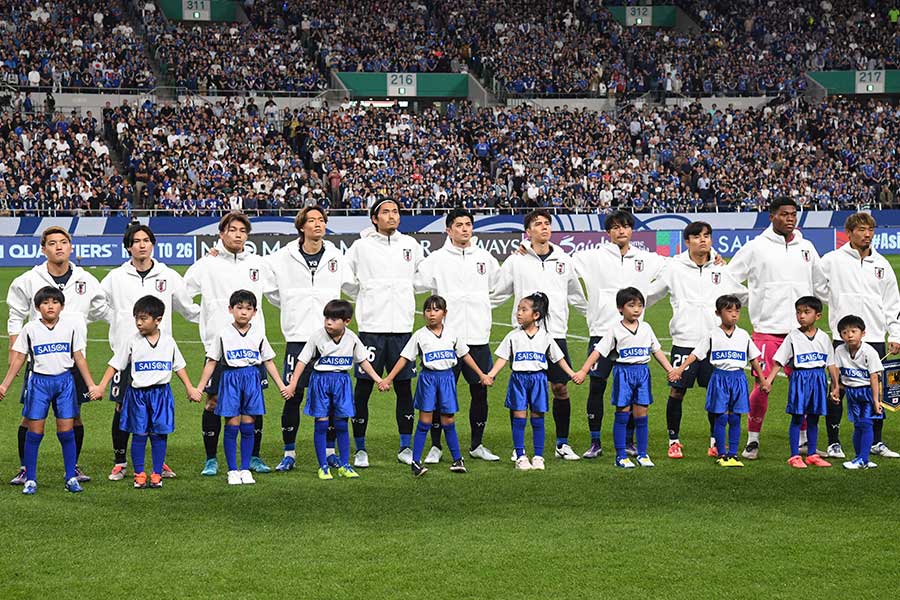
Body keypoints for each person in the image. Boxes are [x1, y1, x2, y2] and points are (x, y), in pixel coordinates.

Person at [6, 226, 108, 485]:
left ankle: (72, 467)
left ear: (71, 247)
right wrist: (13, 346)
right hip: (40, 360)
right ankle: (25, 469)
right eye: (52, 243)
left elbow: (101, 307)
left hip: (72, 358)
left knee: (74, 415)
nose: (59, 247)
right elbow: (16, 314)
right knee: (30, 416)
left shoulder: (85, 279)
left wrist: (80, 323)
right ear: (44, 249)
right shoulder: (29, 279)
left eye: (64, 242)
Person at [101, 223, 200, 481]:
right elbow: (98, 305)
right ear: (128, 246)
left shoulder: (167, 275)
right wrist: (120, 323)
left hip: (157, 357)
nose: (142, 244)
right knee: (122, 408)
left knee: (156, 412)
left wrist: (216, 319)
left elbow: (188, 308)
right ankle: (120, 461)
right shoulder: (116, 277)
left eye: (146, 240)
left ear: (152, 244)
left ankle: (158, 462)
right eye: (136, 241)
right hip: (128, 357)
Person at [184, 212, 276, 476]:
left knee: (253, 403)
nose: (237, 234)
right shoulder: (207, 264)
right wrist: (203, 317)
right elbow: (182, 293)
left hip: (252, 350)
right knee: (212, 401)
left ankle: (254, 457)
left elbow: (279, 294)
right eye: (232, 229)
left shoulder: (258, 263)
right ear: (221, 233)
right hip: (219, 348)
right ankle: (211, 459)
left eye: (242, 231)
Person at [493, 209, 588, 462]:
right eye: (538, 224)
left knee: (560, 388)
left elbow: (577, 295)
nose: (544, 227)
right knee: (520, 394)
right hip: (525, 336)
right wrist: (479, 309)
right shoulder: (517, 260)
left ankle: (562, 443)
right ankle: (519, 447)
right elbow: (498, 292)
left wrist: (594, 317)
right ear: (528, 231)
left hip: (555, 333)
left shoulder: (564, 260)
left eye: (547, 223)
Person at [727, 197, 819, 460]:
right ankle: (753, 440)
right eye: (784, 214)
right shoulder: (756, 247)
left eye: (793, 214)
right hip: (768, 328)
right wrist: (753, 299)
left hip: (802, 333)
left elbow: (820, 283)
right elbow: (731, 277)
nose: (790, 218)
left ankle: (803, 440)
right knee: (762, 385)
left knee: (803, 386)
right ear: (771, 216)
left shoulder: (807, 247)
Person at [645, 221, 746, 459]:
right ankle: (674, 440)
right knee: (677, 392)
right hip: (685, 340)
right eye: (698, 236)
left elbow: (741, 295)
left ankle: (715, 440)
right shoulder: (674, 267)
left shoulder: (721, 269)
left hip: (715, 344)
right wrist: (624, 309)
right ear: (687, 241)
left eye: (708, 236)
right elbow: (651, 293)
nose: (703, 240)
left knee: (717, 394)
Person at [572, 210, 667, 458]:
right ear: (608, 232)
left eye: (625, 226)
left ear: (631, 230)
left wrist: (713, 256)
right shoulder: (593, 256)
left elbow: (673, 271)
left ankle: (629, 441)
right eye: (615, 227)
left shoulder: (647, 258)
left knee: (634, 390)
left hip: (633, 336)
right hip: (601, 331)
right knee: (596, 387)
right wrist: (527, 247)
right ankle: (595, 441)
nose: (621, 231)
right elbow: (562, 263)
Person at [265, 206, 351, 472]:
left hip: (331, 340)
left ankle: (330, 451)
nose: (318, 224)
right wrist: (294, 310)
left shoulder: (337, 256)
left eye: (322, 220)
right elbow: (271, 293)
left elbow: (348, 289)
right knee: (293, 395)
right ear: (301, 226)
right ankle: (289, 453)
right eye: (312, 220)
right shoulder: (282, 257)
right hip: (298, 337)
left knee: (333, 398)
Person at [415, 208, 501, 463]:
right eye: (459, 225)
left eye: (468, 224)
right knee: (439, 395)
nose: (464, 229)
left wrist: (484, 310)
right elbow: (416, 283)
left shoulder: (486, 258)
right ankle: (436, 446)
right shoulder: (436, 259)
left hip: (477, 338)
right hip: (445, 341)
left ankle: (477, 444)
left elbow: (499, 289)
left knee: (479, 392)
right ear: (448, 229)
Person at [89, 296, 202, 489]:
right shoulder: (132, 341)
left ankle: (157, 473)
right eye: (136, 318)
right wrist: (101, 386)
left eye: (143, 318)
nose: (139, 323)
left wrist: (190, 388)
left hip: (161, 394)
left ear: (157, 320)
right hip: (138, 395)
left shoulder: (168, 341)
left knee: (159, 434)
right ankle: (139, 473)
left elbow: (179, 366)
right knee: (139, 434)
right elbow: (115, 364)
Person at [344, 198, 423, 468]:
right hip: (371, 331)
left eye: (395, 212)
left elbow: (421, 279)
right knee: (363, 390)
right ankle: (361, 449)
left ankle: (405, 446)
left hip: (403, 330)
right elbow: (346, 279)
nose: (392, 216)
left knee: (404, 389)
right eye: (385, 212)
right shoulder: (361, 246)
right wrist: (368, 294)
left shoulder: (410, 245)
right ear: (374, 218)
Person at [814, 212, 900, 459]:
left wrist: (895, 333)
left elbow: (893, 303)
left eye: (871, 230)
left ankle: (877, 441)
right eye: (862, 229)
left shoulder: (882, 264)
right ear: (849, 232)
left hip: (874, 337)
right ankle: (833, 442)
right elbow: (818, 287)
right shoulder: (832, 260)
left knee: (877, 390)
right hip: (843, 338)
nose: (867, 234)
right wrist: (839, 303)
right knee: (837, 387)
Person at [380, 295, 491, 477]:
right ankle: (416, 462)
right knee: (425, 420)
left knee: (448, 419)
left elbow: (466, 355)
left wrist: (482, 375)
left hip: (447, 379)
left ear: (445, 313)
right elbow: (405, 358)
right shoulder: (420, 335)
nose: (432, 314)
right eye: (428, 310)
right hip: (428, 380)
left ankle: (457, 459)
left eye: (436, 310)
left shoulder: (452, 334)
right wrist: (388, 378)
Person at [0, 287, 97, 495]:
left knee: (66, 432)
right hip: (39, 384)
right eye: (45, 303)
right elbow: (18, 359)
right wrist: (4, 385)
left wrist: (91, 385)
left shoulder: (71, 327)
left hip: (65, 383)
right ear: (37, 308)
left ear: (62, 306)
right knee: (35, 432)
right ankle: (31, 478)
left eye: (55, 302)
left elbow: (79, 357)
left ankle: (71, 476)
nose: (50, 306)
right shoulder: (30, 329)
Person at [196, 290, 288, 486]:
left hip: (252, 378)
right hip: (230, 378)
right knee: (232, 425)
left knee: (248, 425)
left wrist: (282, 386)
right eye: (239, 308)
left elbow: (269, 361)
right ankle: (232, 470)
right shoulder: (222, 334)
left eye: (248, 308)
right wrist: (199, 388)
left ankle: (245, 469)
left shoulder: (258, 333)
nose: (243, 312)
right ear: (230, 310)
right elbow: (212, 362)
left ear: (255, 312)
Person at [576, 287, 674, 469]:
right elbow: (599, 351)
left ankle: (643, 454)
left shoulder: (646, 328)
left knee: (642, 415)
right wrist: (583, 370)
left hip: (643, 373)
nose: (636, 309)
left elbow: (656, 350)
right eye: (631, 305)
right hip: (623, 373)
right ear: (620, 308)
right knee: (622, 413)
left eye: (640, 305)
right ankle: (620, 455)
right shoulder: (614, 330)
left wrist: (670, 370)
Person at [284, 300, 382, 480]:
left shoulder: (352, 338)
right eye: (327, 318)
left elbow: (363, 361)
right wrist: (293, 384)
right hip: (321, 382)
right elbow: (302, 361)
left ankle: (345, 465)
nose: (328, 322)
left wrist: (378, 379)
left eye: (334, 319)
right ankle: (323, 466)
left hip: (342, 382)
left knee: (341, 424)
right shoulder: (317, 336)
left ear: (347, 321)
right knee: (321, 423)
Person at [485, 293, 582, 471]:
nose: (519, 313)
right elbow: (502, 359)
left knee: (538, 418)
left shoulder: (545, 336)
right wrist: (490, 374)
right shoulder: (513, 336)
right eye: (518, 309)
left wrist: (572, 373)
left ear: (536, 315)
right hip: (519, 381)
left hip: (538, 380)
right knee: (520, 418)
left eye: (523, 310)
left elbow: (558, 359)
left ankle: (538, 456)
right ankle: (521, 456)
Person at [670, 295, 768, 467]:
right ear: (718, 313)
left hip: (738, 379)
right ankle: (721, 453)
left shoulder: (743, 335)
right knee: (721, 417)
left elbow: (754, 358)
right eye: (729, 311)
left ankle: (733, 454)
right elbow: (696, 354)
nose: (734, 315)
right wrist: (680, 369)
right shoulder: (712, 335)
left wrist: (763, 380)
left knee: (736, 418)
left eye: (737, 311)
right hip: (719, 378)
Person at [763, 297, 837, 468]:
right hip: (800, 379)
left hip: (818, 379)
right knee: (797, 417)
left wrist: (835, 386)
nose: (801, 316)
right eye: (798, 312)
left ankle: (812, 454)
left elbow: (831, 364)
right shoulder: (793, 336)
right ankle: (794, 455)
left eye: (806, 312)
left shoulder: (824, 338)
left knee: (814, 418)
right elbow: (779, 361)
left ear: (818, 315)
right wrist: (768, 381)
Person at [832, 315, 884, 470]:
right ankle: (860, 458)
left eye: (853, 331)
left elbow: (874, 377)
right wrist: (835, 389)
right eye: (844, 332)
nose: (849, 335)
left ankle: (863, 459)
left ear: (863, 333)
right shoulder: (840, 350)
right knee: (858, 425)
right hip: (851, 392)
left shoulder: (869, 352)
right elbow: (836, 370)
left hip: (867, 392)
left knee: (866, 424)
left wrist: (876, 400)